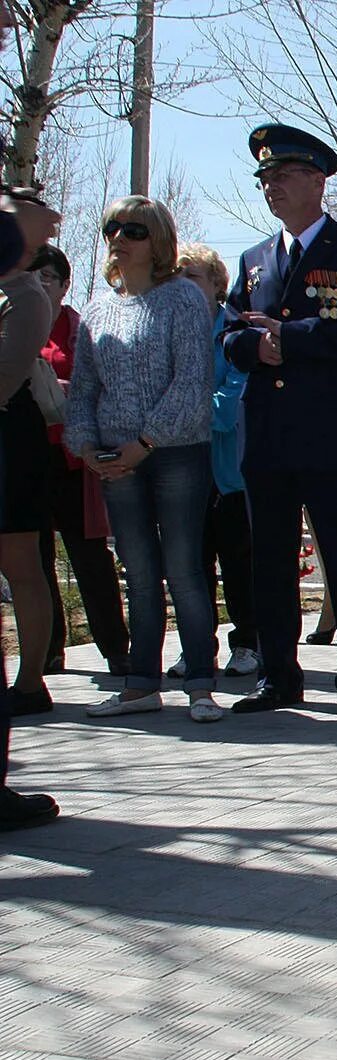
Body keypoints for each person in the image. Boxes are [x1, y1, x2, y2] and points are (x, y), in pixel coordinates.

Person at [222, 124, 337, 719]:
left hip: (331, 433)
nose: (271, 187)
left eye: (283, 176)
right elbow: (228, 335)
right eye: (265, 179)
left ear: (318, 181)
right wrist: (257, 349)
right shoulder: (252, 261)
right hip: (267, 434)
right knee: (269, 561)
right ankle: (279, 677)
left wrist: (290, 339)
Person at [63, 196, 221, 722]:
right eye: (112, 228)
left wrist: (145, 442)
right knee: (138, 572)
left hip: (174, 454)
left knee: (183, 568)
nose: (120, 238)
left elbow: (191, 382)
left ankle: (200, 683)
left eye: (134, 229)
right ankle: (140, 684)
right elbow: (83, 388)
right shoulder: (97, 309)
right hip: (113, 460)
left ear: (158, 240)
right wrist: (86, 446)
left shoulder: (181, 300)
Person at [33, 244, 130, 680]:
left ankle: (115, 648)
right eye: (31, 277)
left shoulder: (78, 329)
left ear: (64, 284)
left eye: (48, 278)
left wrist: (65, 386)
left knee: (90, 557)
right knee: (35, 561)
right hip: (25, 459)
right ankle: (49, 649)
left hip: (74, 459)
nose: (38, 285)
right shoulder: (13, 324)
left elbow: (101, 383)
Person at [175, 242, 260, 679]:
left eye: (191, 276)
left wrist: (179, 410)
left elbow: (230, 406)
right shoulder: (170, 331)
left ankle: (248, 643)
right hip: (183, 469)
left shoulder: (233, 331)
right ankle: (196, 649)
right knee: (192, 565)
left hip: (231, 471)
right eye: (176, 276)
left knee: (239, 562)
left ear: (215, 284)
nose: (182, 285)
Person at [0, 191, 60, 715]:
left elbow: (6, 376)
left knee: (21, 564)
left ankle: (30, 681)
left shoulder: (26, 295)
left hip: (9, 439)